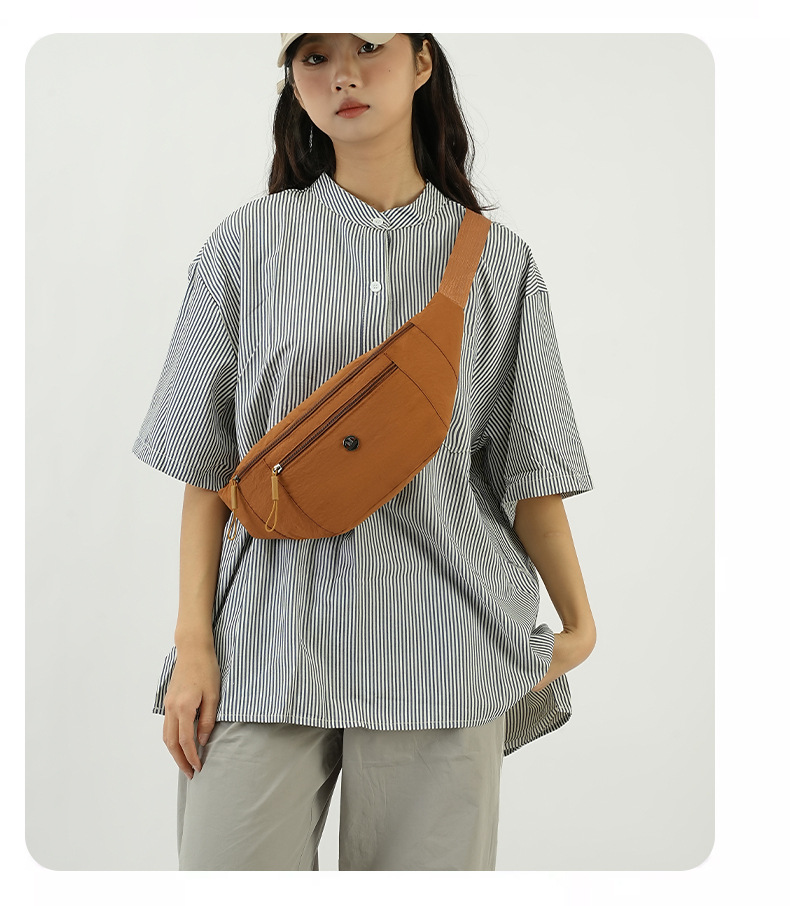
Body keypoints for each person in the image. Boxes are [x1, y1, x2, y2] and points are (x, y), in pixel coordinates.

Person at [132, 32, 597, 871]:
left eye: (371, 46)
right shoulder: (246, 246)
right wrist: (194, 644)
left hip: (444, 648)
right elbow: (207, 468)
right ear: (293, 81)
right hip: (265, 645)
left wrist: (579, 623)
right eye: (314, 57)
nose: (343, 74)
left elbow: (531, 475)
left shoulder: (499, 264)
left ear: (422, 63)